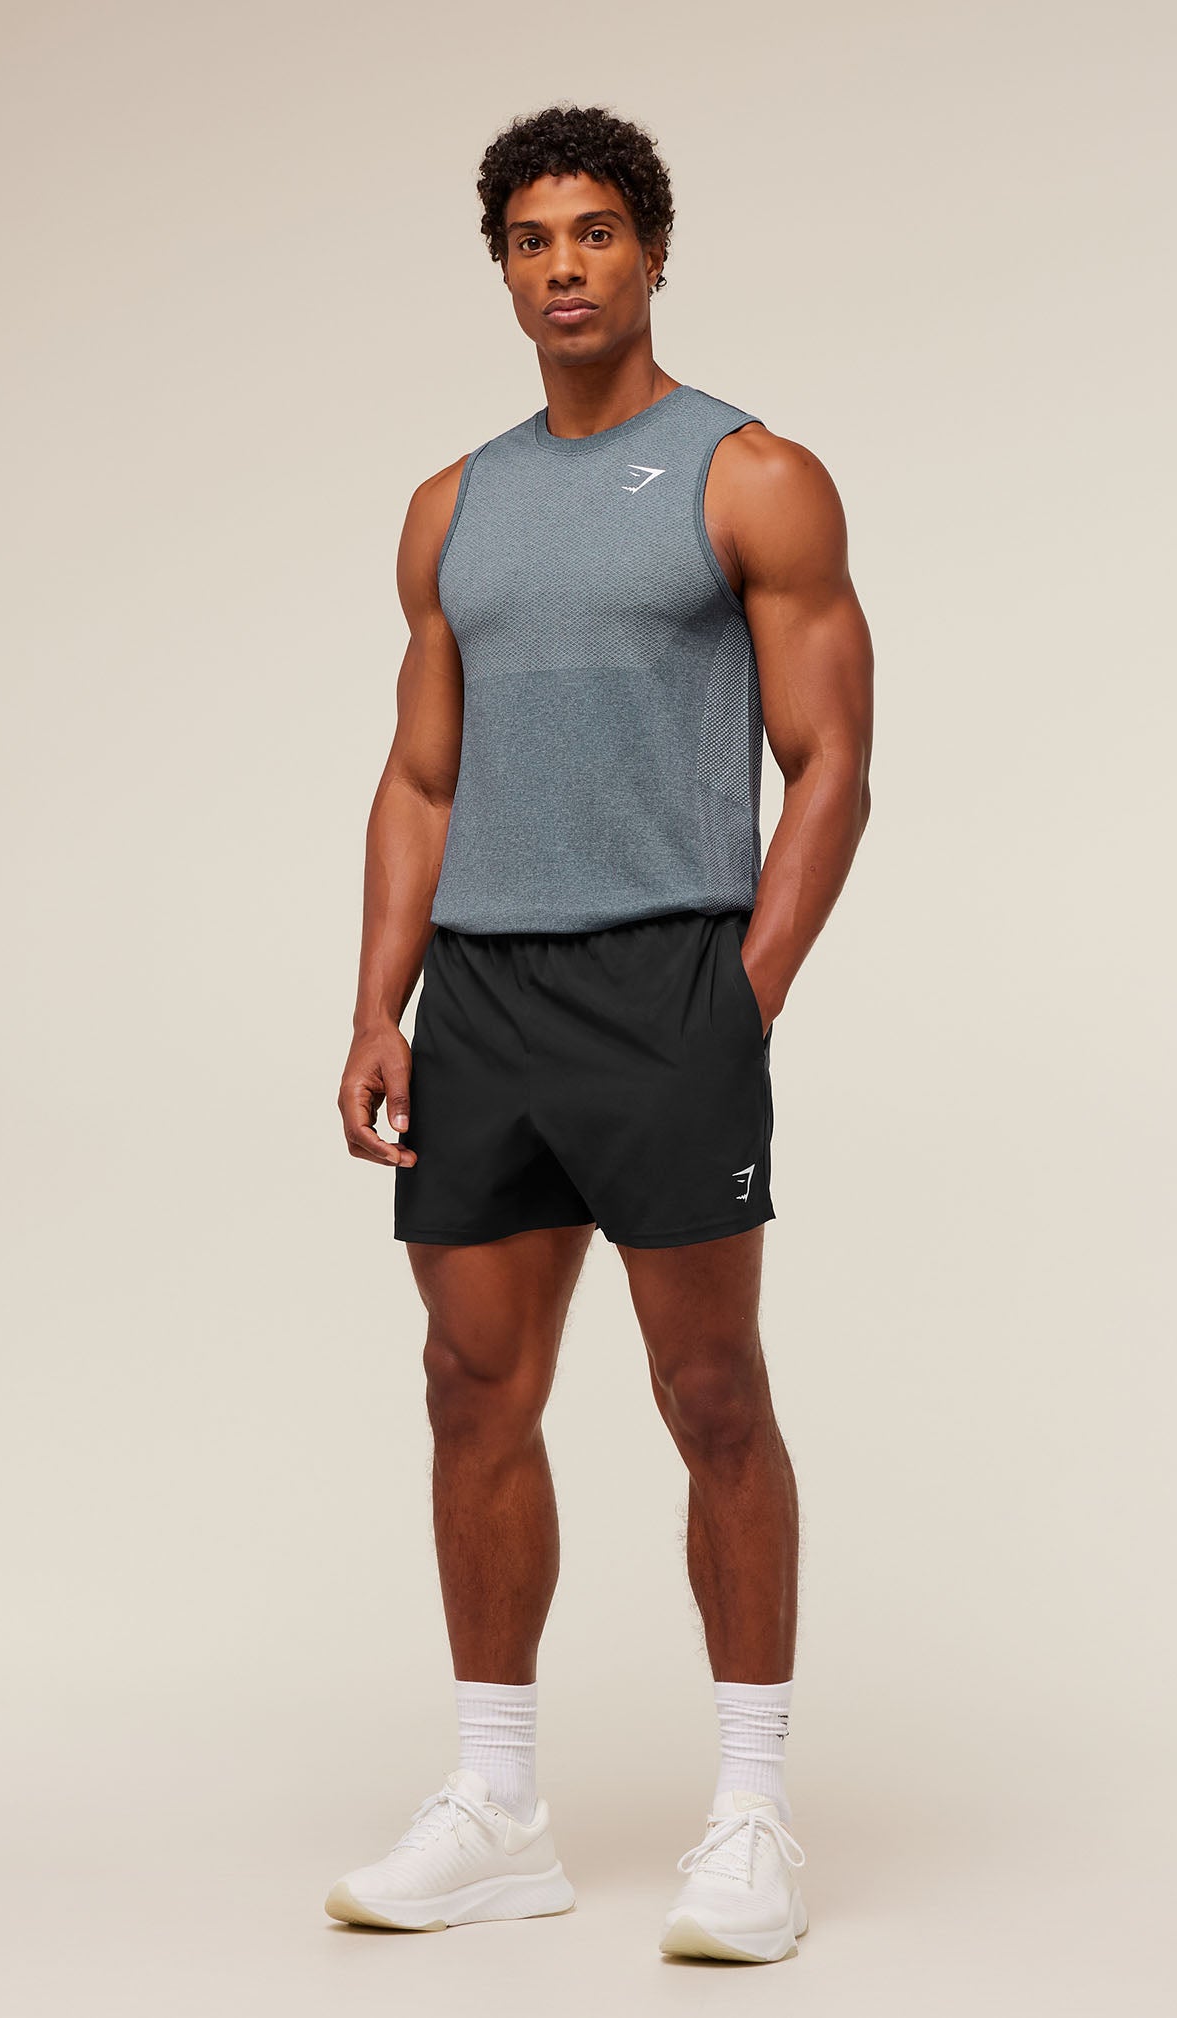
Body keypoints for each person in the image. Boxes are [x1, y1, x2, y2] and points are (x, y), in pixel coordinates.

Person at [332, 101, 873, 1964]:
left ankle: (752, 1814)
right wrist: (377, 1000)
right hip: (484, 994)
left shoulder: (751, 474)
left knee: (711, 1394)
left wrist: (743, 996)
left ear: (651, 251)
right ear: (502, 269)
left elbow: (831, 762)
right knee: (470, 1385)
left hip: (666, 982)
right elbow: (421, 778)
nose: (564, 265)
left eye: (595, 232)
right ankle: (497, 1806)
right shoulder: (453, 507)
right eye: (531, 239)